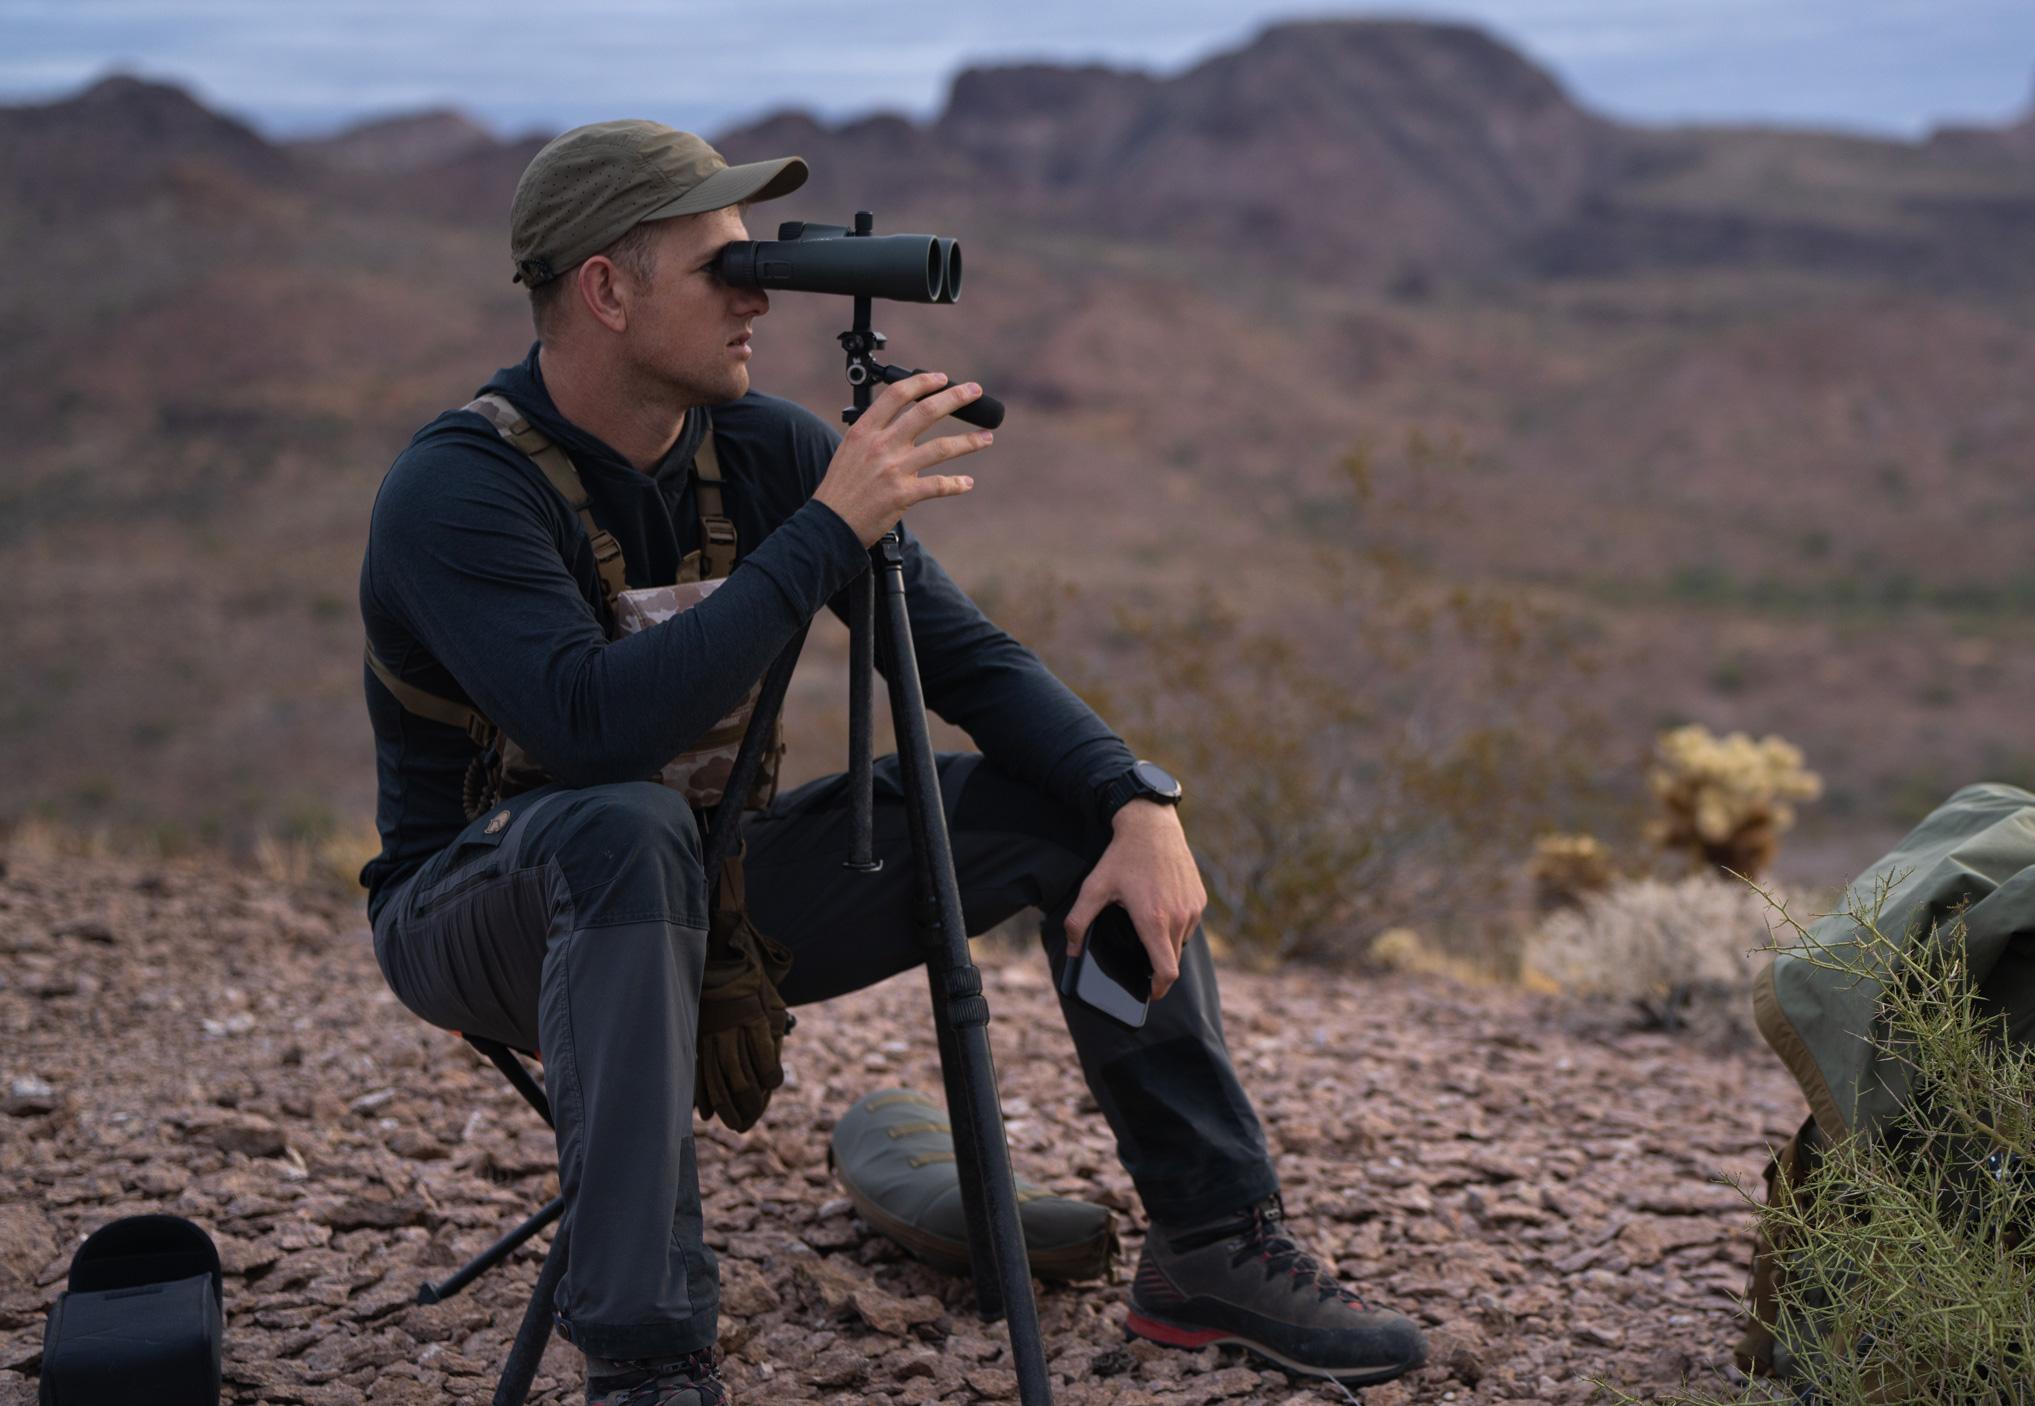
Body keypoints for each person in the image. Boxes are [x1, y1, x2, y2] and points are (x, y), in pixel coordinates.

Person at [355, 120, 1428, 1406]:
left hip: (715, 886)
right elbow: (593, 730)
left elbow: (968, 662)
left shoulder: (760, 449)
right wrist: (822, 533)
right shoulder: (460, 488)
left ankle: (1213, 1242)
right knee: (620, 823)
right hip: (481, 912)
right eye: (722, 267)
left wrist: (1135, 796)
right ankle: (647, 1357)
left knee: (1065, 811)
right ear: (605, 287)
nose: (759, 297)